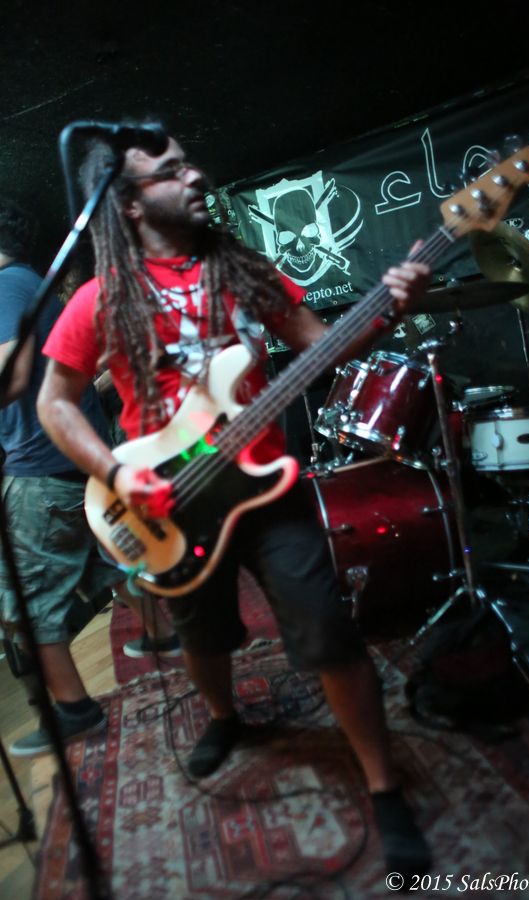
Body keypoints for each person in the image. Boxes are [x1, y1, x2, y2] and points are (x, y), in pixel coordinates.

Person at [37, 129, 432, 877]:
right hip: (169, 497)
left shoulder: (243, 271)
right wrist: (116, 473)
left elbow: (321, 343)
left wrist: (388, 310)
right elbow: (54, 403)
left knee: (329, 630)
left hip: (269, 487)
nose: (195, 175)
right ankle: (224, 718)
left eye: (190, 161)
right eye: (170, 171)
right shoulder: (100, 297)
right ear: (128, 204)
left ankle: (384, 786)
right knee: (204, 631)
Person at [0, 197, 178, 758]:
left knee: (26, 603)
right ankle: (164, 635)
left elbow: (11, 376)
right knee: (111, 561)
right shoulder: (32, 285)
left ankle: (75, 709)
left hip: (39, 466)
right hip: (74, 458)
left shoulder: (5, 288)